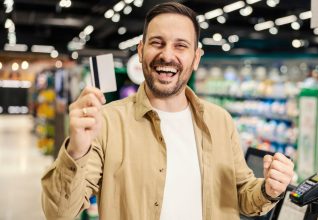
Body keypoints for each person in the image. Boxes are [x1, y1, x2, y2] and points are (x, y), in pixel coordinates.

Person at [41, 2, 294, 220]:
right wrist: (76, 150)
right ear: (141, 51)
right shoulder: (107, 122)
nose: (167, 55)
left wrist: (268, 190)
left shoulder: (220, 121)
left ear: (196, 58)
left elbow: (241, 193)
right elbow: (61, 211)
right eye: (157, 43)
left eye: (180, 46)